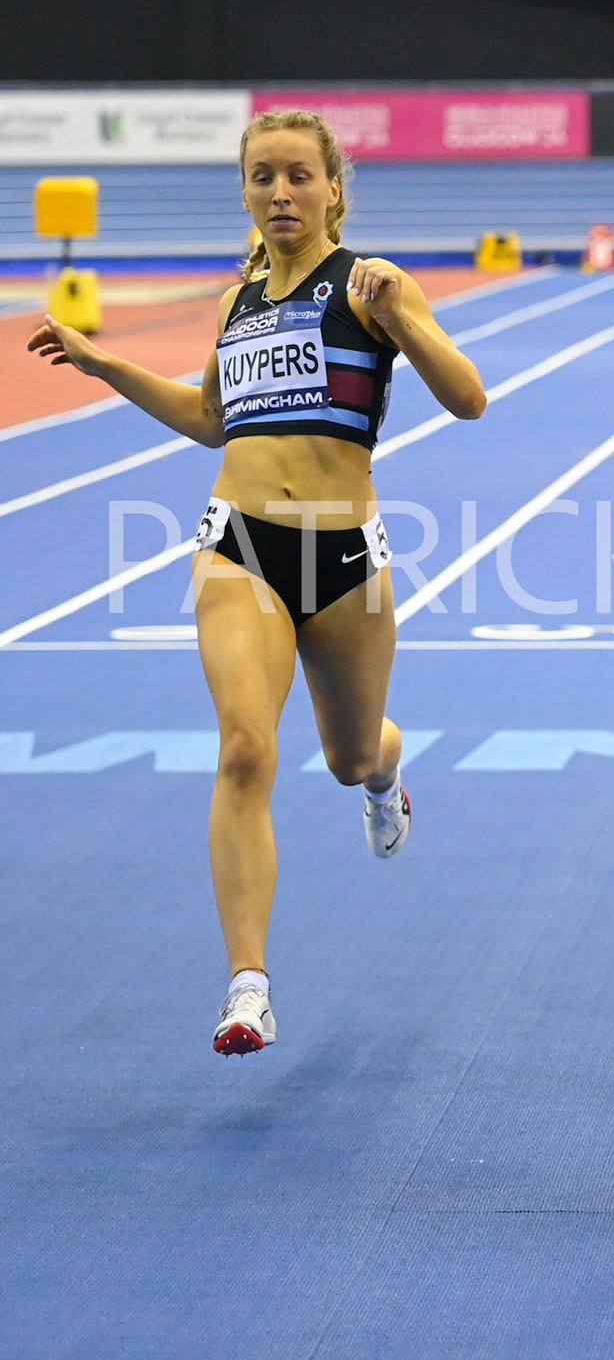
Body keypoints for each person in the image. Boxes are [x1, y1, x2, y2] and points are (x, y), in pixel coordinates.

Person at [27, 109, 486, 1057]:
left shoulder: (369, 286)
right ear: (244, 191)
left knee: (351, 754)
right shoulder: (240, 303)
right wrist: (101, 359)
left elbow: (468, 396)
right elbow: (208, 417)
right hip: (238, 542)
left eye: (298, 177)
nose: (280, 192)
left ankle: (386, 779)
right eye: (262, 177)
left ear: (332, 190)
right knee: (245, 747)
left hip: (345, 555)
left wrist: (403, 316)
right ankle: (249, 986)